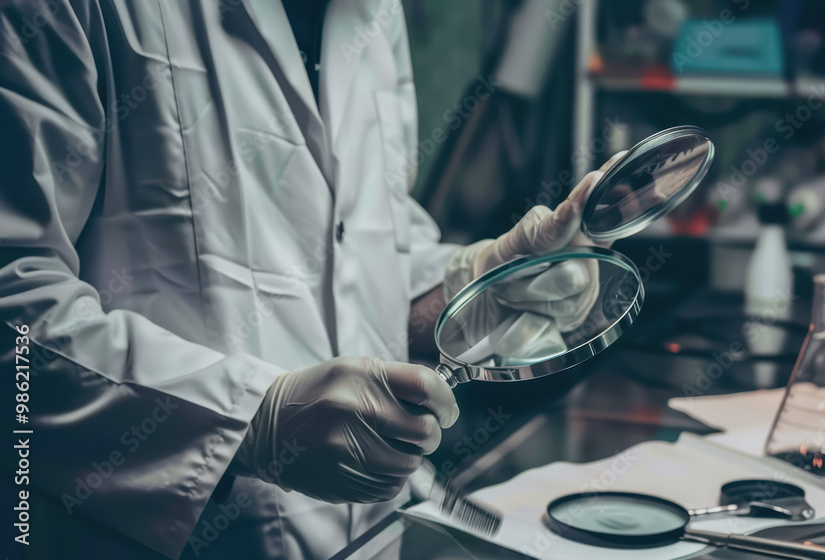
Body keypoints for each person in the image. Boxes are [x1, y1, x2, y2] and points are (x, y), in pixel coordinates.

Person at [0, 0, 620, 558]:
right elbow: (15, 307)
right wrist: (252, 421)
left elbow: (359, 254)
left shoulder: (374, 14)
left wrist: (477, 287)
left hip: (374, 533)